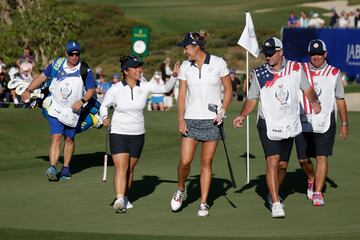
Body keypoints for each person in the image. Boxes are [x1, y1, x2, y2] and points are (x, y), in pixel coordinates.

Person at [232, 37, 321, 218]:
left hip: (289, 122)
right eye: (266, 54)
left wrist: (314, 101)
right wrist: (242, 115)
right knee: (272, 160)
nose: (268, 57)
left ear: (281, 52)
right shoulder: (260, 74)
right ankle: (276, 202)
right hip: (267, 123)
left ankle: (272, 194)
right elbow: (251, 99)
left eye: (272, 53)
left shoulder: (296, 68)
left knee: (282, 165)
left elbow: (307, 88)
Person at [100, 55, 179, 213]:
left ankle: (126, 196)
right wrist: (104, 118)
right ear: (125, 71)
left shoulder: (145, 86)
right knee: (121, 167)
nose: (139, 70)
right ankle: (120, 198)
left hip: (137, 134)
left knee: (130, 169)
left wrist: (174, 77)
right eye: (135, 68)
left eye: (140, 67)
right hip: (118, 133)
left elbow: (165, 89)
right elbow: (104, 106)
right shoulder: (115, 89)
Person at [170, 31, 232, 217]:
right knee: (185, 161)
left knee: (206, 162)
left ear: (196, 47)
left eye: (186, 48)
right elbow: (181, 96)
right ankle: (181, 189)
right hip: (191, 119)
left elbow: (229, 89)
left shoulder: (218, 63)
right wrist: (180, 119)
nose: (184, 52)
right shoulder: (185, 68)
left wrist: (223, 110)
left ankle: (203, 203)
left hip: (212, 120)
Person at [21, 40, 96, 181]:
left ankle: (66, 168)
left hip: (73, 111)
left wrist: (82, 101)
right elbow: (42, 77)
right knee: (56, 137)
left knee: (69, 139)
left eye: (77, 54)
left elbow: (91, 90)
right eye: (71, 54)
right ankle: (52, 167)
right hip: (55, 107)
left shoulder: (85, 70)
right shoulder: (56, 64)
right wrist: (28, 90)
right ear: (66, 53)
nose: (74, 57)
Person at [295, 39, 348, 206]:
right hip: (303, 120)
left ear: (325, 54)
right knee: (303, 159)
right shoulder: (300, 70)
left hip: (325, 120)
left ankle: (318, 192)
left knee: (321, 157)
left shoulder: (334, 73)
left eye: (319, 54)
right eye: (313, 54)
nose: (316, 57)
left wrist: (344, 123)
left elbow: (340, 99)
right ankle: (312, 178)